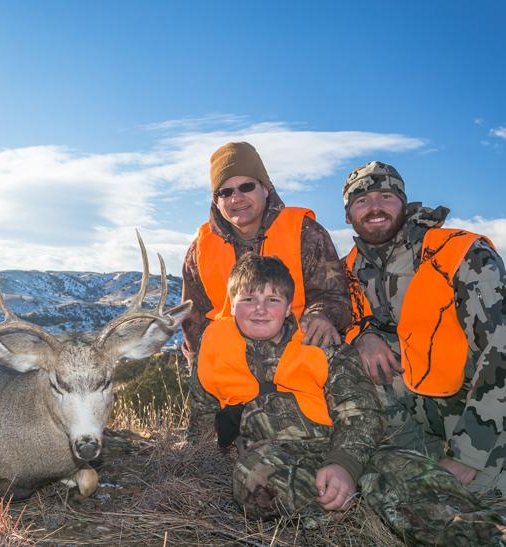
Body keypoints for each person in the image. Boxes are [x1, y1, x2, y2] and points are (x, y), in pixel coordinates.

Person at [198, 254, 504, 545]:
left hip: (352, 450)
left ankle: (483, 532)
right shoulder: (213, 350)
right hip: (283, 461)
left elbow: (362, 411)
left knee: (413, 481)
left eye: (272, 300)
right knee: (253, 476)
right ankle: (364, 513)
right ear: (232, 304)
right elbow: (201, 414)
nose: (260, 309)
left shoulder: (324, 347)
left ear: (290, 306)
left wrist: (344, 465)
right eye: (248, 299)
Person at [341, 160, 505, 496]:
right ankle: (412, 462)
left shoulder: (459, 252)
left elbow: (500, 349)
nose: (374, 208)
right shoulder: (347, 270)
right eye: (362, 200)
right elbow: (339, 318)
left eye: (385, 196)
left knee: (481, 510)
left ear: (403, 202)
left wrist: (468, 456)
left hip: (483, 414)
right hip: (419, 412)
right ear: (348, 216)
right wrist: (362, 335)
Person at [181, 142, 350, 439]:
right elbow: (193, 318)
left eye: (246, 186)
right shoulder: (199, 249)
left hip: (295, 358)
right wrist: (199, 364)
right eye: (225, 191)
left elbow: (333, 295)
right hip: (229, 366)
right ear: (216, 199)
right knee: (206, 454)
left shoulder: (305, 232)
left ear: (266, 188)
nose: (237, 198)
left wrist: (321, 316)